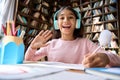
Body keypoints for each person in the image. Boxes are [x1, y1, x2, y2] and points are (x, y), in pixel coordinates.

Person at [25, 6, 120, 68]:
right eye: (62, 18)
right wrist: (32, 47)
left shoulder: (85, 43)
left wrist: (106, 58)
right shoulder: (50, 44)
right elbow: (28, 60)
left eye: (71, 17)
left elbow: (117, 59)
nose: (66, 20)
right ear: (57, 24)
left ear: (77, 23)